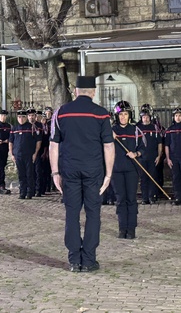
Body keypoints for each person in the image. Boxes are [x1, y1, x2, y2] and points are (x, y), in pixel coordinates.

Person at [49, 75, 115, 273]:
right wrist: (109, 174)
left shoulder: (61, 113)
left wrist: (55, 172)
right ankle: (88, 259)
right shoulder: (101, 114)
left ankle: (73, 260)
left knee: (72, 213)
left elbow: (53, 146)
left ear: (75, 91)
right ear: (93, 92)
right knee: (93, 213)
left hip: (69, 169)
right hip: (93, 170)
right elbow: (109, 146)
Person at [111, 100, 146, 239]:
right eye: (121, 115)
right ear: (117, 116)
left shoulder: (135, 130)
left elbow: (144, 149)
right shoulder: (111, 131)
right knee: (120, 200)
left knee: (131, 199)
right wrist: (108, 137)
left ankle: (131, 229)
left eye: (125, 114)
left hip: (132, 170)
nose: (123, 117)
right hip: (116, 170)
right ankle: (122, 228)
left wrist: (136, 154)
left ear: (129, 115)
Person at [9, 110, 42, 199]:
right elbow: (11, 142)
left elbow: (38, 141)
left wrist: (35, 153)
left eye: (23, 117)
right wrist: (11, 154)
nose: (21, 119)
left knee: (29, 174)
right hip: (18, 155)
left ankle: (29, 192)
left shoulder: (31, 127)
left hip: (29, 155)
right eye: (19, 117)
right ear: (17, 118)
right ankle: (22, 192)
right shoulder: (14, 128)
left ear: (25, 117)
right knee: (21, 174)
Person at [135, 104, 163, 204]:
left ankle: (152, 197)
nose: (145, 119)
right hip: (141, 158)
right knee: (143, 179)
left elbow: (160, 143)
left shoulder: (155, 128)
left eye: (147, 117)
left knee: (152, 178)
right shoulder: (137, 128)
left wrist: (159, 156)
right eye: (143, 117)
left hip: (153, 158)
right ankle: (144, 198)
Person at [26, 108, 45, 197]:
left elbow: (43, 139)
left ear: (35, 116)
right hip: (28, 151)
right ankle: (31, 189)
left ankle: (38, 189)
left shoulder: (40, 126)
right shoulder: (25, 126)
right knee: (30, 171)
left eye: (32, 115)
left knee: (38, 171)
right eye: (29, 115)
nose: (31, 117)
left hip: (38, 151)